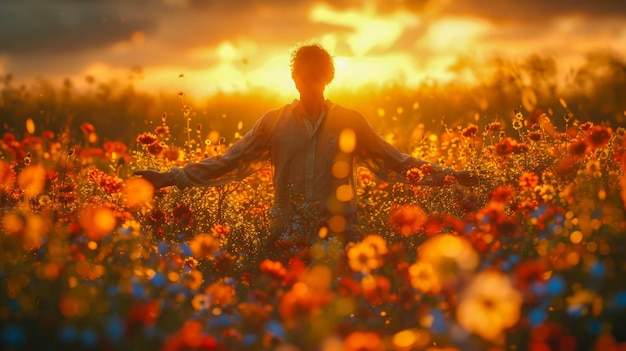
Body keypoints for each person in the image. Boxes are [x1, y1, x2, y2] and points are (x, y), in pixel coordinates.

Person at [134, 42, 479, 250]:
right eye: (302, 72)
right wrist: (169, 177)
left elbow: (397, 160)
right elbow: (229, 160)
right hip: (287, 235)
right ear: (293, 77)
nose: (308, 80)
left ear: (328, 77)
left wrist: (452, 176)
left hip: (341, 236)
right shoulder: (274, 123)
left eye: (316, 73)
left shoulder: (349, 121)